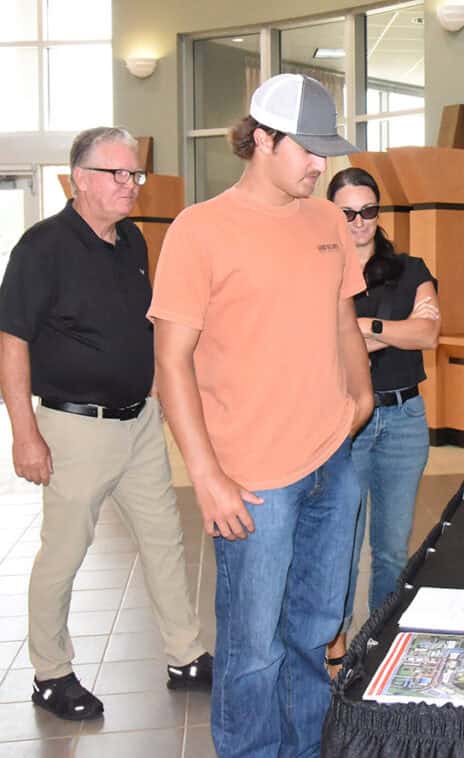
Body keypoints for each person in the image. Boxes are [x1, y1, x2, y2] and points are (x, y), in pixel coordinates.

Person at [148, 75, 372, 758]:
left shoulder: (327, 221)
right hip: (253, 481)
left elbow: (343, 318)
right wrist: (207, 478)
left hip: (332, 462)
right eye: (308, 150)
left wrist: (361, 399)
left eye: (326, 151)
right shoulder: (200, 230)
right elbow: (171, 364)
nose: (320, 165)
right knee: (252, 649)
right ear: (264, 139)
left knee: (314, 632)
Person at [0, 127, 212, 722]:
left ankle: (185, 655)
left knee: (165, 540)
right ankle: (51, 674)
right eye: (116, 174)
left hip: (138, 422)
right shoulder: (42, 247)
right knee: (64, 553)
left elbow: (140, 327)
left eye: (134, 173)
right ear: (79, 179)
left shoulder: (132, 241)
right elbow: (11, 341)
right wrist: (24, 433)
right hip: (75, 428)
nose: (130, 184)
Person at [323, 167, 440, 672]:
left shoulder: (410, 269)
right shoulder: (319, 270)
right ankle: (336, 643)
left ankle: (380, 640)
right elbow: (318, 343)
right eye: (347, 212)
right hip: (344, 420)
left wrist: (362, 326)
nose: (358, 221)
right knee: (342, 543)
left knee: (392, 547)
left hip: (404, 418)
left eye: (368, 210)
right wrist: (393, 330)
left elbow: (427, 334)